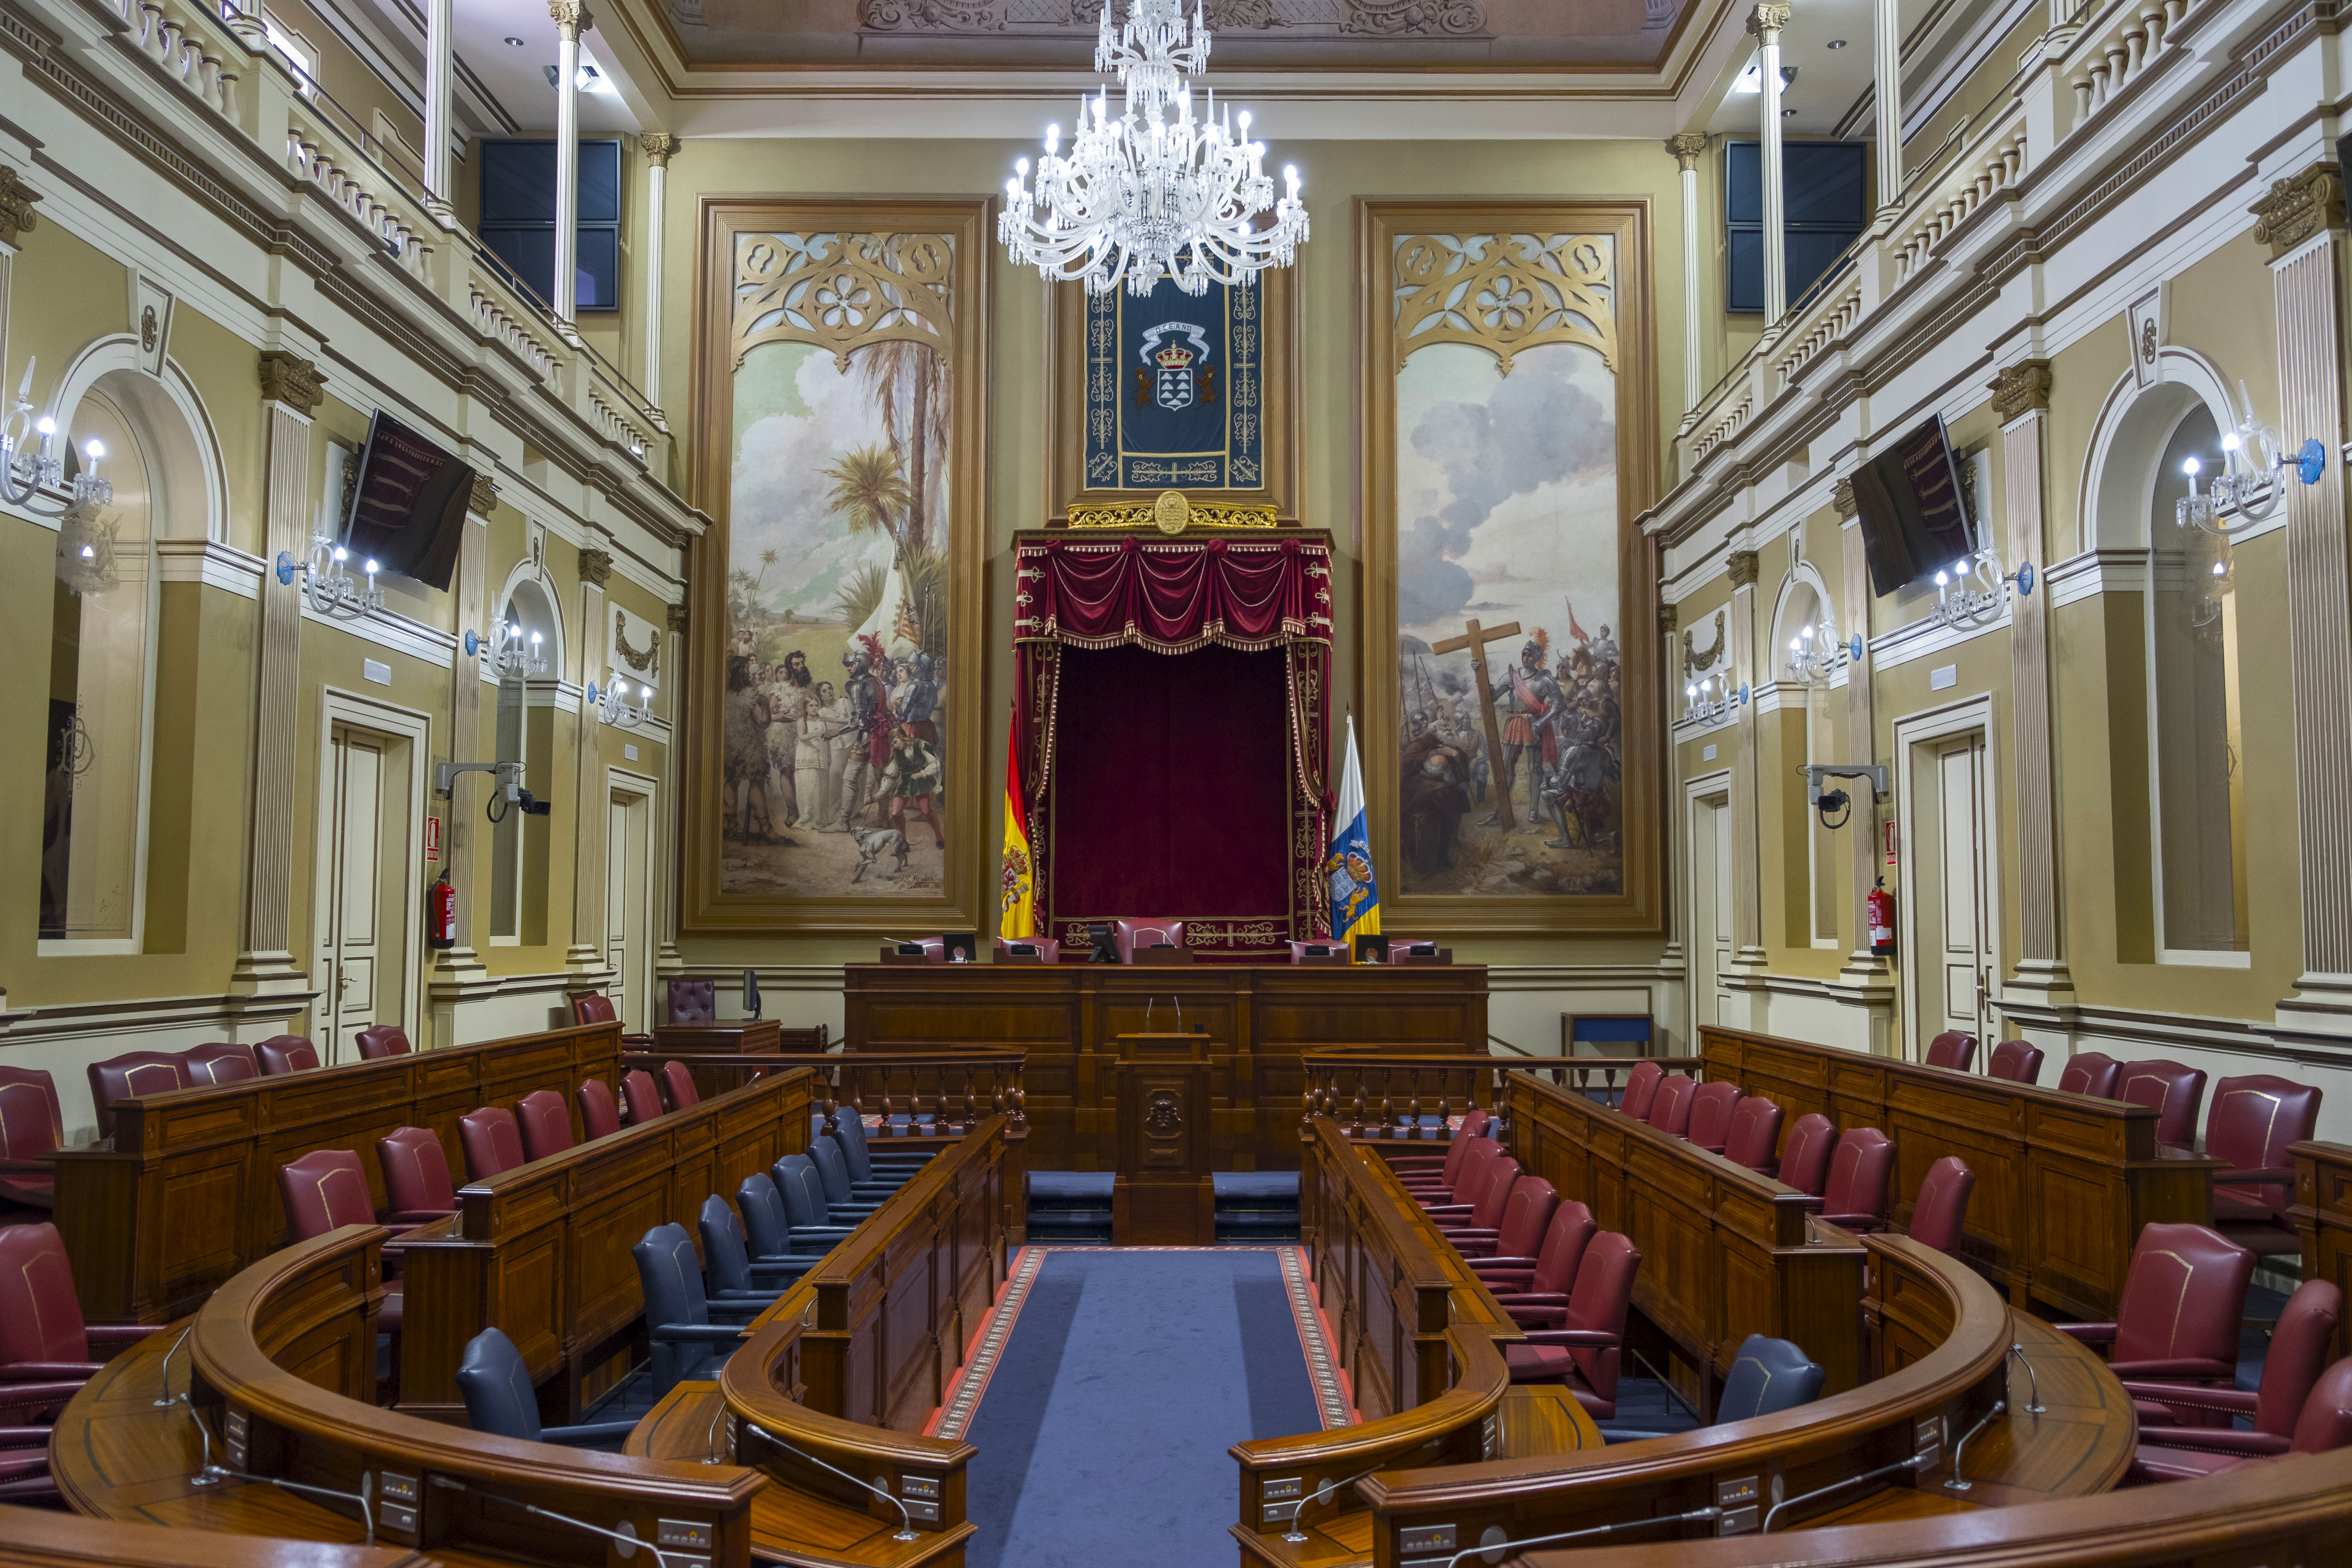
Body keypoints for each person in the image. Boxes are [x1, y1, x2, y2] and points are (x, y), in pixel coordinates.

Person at [722, 655, 782, 842]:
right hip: (751, 747)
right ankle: (766, 828)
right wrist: (766, 703)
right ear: (742, 672)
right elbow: (763, 722)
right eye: (748, 669)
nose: (750, 672)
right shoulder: (751, 695)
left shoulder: (726, 695)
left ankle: (732, 825)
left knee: (732, 781)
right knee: (757, 783)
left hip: (731, 747)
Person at [879, 721, 945, 849]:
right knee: (896, 813)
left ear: (902, 737)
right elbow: (892, 772)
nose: (895, 746)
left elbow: (936, 764)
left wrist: (922, 774)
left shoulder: (921, 745)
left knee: (926, 811)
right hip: (905, 783)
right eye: (893, 744)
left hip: (920, 781)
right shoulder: (897, 753)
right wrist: (883, 790)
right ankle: (903, 843)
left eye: (895, 742)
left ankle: (939, 837)